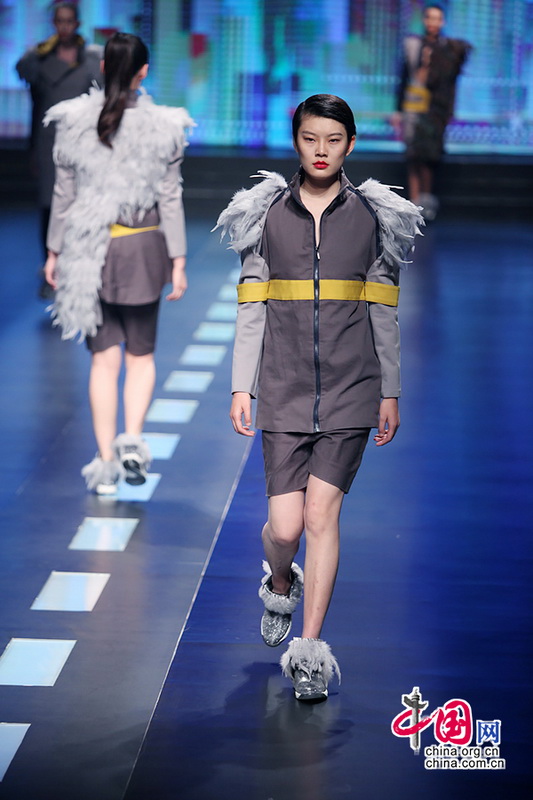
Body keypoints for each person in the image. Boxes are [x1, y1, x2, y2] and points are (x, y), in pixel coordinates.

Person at [215, 94, 423, 701]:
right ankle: (280, 581)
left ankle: (309, 652)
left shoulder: (375, 217)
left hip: (352, 388)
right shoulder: (264, 215)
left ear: (350, 144)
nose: (322, 151)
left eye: (333, 140)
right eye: (311, 139)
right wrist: (242, 384)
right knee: (284, 529)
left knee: (320, 516)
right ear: (296, 142)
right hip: (283, 387)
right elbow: (252, 305)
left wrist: (389, 390)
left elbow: (383, 310)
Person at [43, 32, 193, 495]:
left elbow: (64, 196)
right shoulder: (165, 126)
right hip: (143, 249)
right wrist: (178, 259)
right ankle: (132, 439)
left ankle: (106, 462)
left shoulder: (73, 122)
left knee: (103, 362)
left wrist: (53, 252)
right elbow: (170, 197)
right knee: (141, 356)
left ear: (104, 67)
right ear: (144, 71)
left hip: (91, 253)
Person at [16, 2, 102, 297]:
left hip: (83, 146)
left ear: (77, 24)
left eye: (69, 21)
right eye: (59, 21)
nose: (64, 27)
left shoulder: (91, 60)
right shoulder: (40, 60)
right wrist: (32, 148)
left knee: (80, 208)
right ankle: (50, 269)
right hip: (49, 144)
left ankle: (78, 271)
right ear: (53, 24)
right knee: (50, 207)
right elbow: (34, 103)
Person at [391, 3, 472, 219]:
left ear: (442, 22)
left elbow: (450, 84)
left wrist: (449, 111)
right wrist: (398, 110)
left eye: (437, 18)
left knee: (429, 157)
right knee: (413, 156)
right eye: (429, 18)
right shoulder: (413, 45)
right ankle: (413, 204)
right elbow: (404, 79)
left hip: (436, 109)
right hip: (413, 107)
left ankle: (426, 203)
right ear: (424, 20)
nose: (433, 23)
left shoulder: (449, 49)